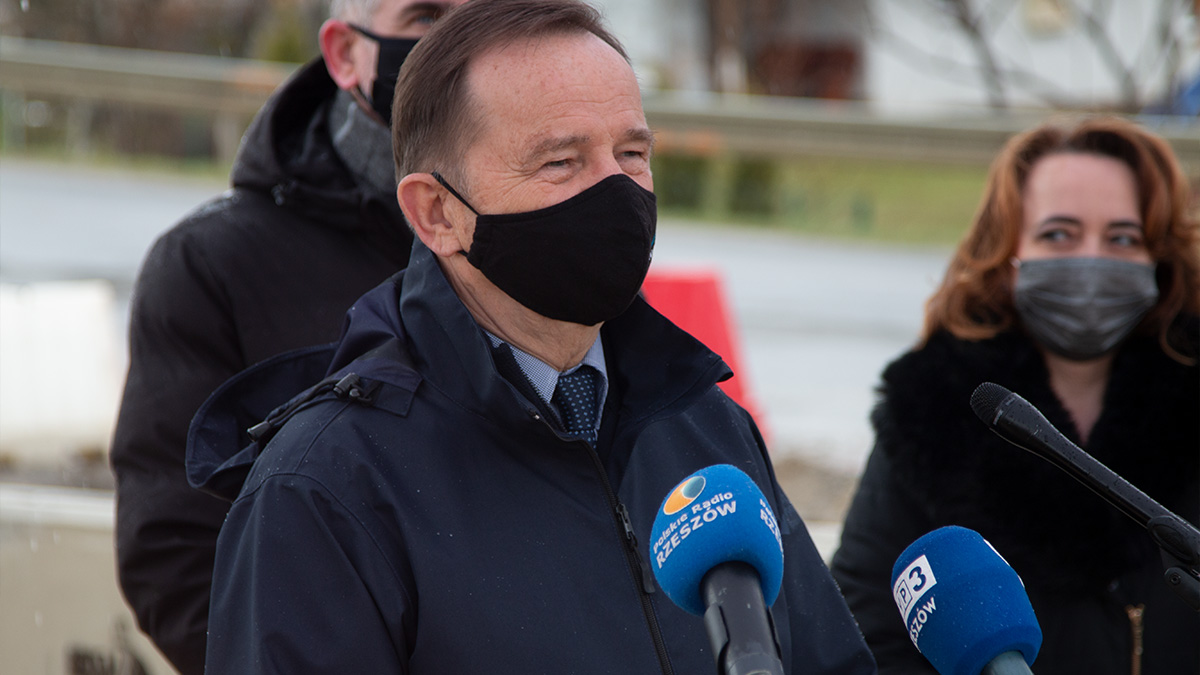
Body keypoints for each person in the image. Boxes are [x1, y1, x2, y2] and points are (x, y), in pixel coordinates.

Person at [189, 1, 878, 672]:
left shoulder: (704, 427)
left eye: (632, 153)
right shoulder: (326, 489)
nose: (616, 191)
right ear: (437, 213)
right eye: (560, 162)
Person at [109, 1, 467, 672]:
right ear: (345, 53)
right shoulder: (212, 267)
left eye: (486, 12)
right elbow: (177, 560)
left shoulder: (550, 251)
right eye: (425, 16)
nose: (460, 40)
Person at [831, 117, 1200, 674]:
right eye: (1059, 234)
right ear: (1007, 256)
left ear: (1159, 260)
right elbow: (865, 638)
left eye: (1122, 238)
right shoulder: (932, 419)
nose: (1090, 260)